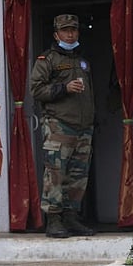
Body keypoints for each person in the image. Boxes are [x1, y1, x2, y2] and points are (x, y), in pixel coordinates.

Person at [30, 13, 97, 238]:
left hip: (83, 127)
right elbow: (36, 90)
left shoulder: (82, 60)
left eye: (74, 30)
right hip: (59, 126)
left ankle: (71, 217)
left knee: (78, 175)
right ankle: (54, 220)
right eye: (66, 30)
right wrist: (64, 88)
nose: (70, 34)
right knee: (56, 174)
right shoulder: (47, 60)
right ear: (56, 34)